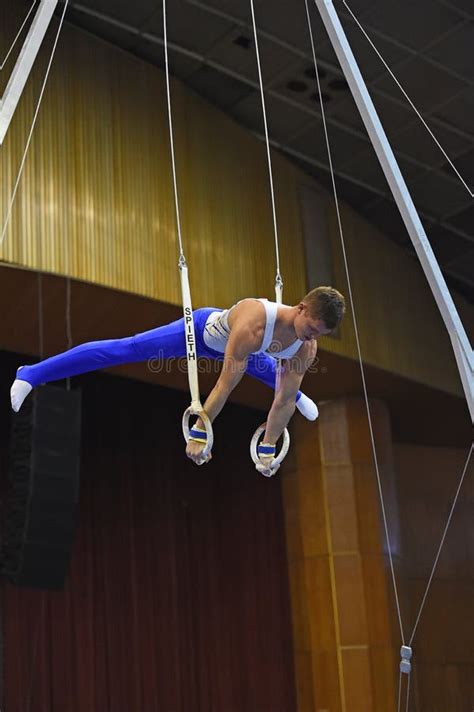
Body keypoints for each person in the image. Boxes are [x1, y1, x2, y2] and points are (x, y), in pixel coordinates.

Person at [10, 286, 345, 472]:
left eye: (320, 334)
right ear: (301, 308)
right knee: (123, 350)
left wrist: (268, 447)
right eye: (311, 327)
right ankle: (32, 374)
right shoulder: (255, 322)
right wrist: (200, 431)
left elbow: (281, 402)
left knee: (288, 389)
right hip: (203, 333)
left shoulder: (307, 347)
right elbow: (226, 384)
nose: (311, 336)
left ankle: (302, 395)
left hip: (252, 353)